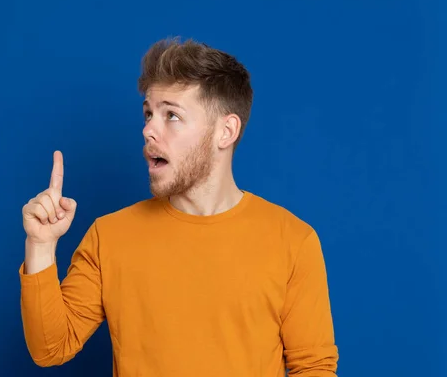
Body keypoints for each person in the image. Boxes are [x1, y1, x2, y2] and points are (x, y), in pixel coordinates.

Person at [19, 38, 339, 376]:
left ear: (225, 132)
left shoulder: (292, 241)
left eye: (171, 115)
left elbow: (313, 367)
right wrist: (40, 246)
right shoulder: (109, 236)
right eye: (148, 113)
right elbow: (50, 347)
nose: (148, 130)